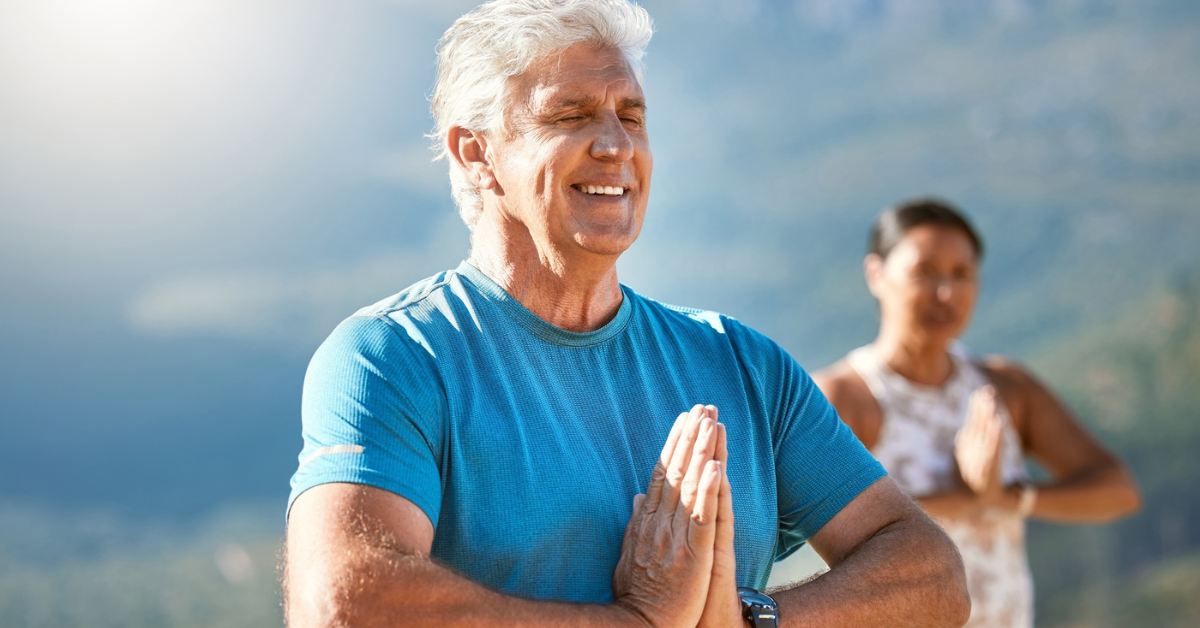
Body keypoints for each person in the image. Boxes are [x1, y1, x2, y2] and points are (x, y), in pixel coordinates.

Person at [283, 2, 971, 627]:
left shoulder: (741, 363)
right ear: (477, 152)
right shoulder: (394, 356)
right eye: (571, 114)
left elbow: (932, 576)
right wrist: (637, 624)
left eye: (632, 115)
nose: (616, 145)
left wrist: (747, 621)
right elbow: (345, 602)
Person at [813, 198, 1142, 628]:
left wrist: (1011, 497)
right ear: (876, 274)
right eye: (925, 272)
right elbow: (818, 532)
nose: (945, 293)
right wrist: (971, 499)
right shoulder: (843, 396)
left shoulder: (1008, 388)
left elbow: (1118, 490)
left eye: (961, 274)